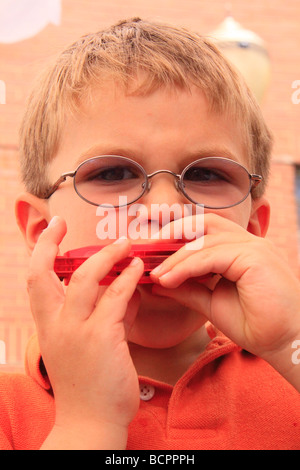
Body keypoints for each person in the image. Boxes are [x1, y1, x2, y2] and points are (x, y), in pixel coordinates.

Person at [0, 17, 299, 450]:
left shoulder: (289, 374)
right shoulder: (9, 409)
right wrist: (87, 423)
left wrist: (290, 340)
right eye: (114, 172)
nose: (164, 210)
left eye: (206, 173)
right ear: (43, 229)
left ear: (252, 228)